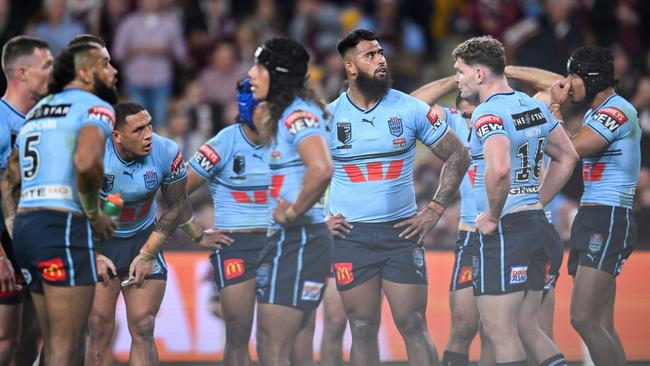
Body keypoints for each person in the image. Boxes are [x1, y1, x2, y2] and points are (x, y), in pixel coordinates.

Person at [326, 29, 470, 366]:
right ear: (350, 66)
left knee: (413, 324)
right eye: (370, 55)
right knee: (361, 327)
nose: (380, 60)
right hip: (351, 236)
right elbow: (300, 172)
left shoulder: (409, 108)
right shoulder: (328, 116)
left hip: (400, 233)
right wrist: (320, 219)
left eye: (380, 53)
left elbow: (458, 154)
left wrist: (434, 210)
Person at [452, 35, 577, 366]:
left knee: (500, 333)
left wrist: (492, 216)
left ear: (479, 74)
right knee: (527, 328)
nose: (457, 79)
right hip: (537, 225)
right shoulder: (532, 105)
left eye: (460, 71)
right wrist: (536, 199)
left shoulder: (486, 113)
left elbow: (500, 168)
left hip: (508, 232)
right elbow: (567, 156)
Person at [0, 37, 118, 365]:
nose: (113, 70)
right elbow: (86, 162)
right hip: (62, 226)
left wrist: (13, 224)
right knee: (68, 347)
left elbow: (10, 176)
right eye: (105, 64)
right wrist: (95, 216)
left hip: (27, 229)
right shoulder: (96, 106)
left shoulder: (36, 110)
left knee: (49, 342)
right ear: (84, 73)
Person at [85, 101, 205, 365]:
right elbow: (75, 209)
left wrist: (149, 253)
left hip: (142, 237)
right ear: (116, 136)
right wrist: (93, 253)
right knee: (99, 327)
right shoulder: (93, 154)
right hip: (100, 241)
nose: (148, 134)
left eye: (149, 125)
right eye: (138, 130)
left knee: (143, 325)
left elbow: (178, 205)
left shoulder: (166, 150)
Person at [548, 46, 639, 366]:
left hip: (609, 214)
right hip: (594, 214)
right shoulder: (595, 114)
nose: (569, 83)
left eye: (573, 75)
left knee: (583, 318)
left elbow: (570, 150)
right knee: (601, 323)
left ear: (591, 77)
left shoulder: (617, 110)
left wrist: (554, 109)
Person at [248, 37, 333, 366]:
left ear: (277, 72)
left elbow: (322, 167)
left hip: (299, 239)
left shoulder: (298, 114)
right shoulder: (296, 110)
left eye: (258, 66)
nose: (251, 74)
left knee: (273, 346)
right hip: (300, 241)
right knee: (294, 344)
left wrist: (295, 210)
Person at [183, 78, 267, 366]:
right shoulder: (223, 143)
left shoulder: (288, 142)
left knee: (278, 335)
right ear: (250, 109)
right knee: (238, 333)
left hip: (279, 243)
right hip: (236, 245)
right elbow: (177, 189)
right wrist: (195, 232)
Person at [410, 77, 491, 366]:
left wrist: (506, 70)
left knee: (498, 331)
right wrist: (456, 79)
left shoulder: (507, 115)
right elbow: (413, 104)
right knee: (462, 329)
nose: (472, 125)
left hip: (505, 233)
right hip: (470, 235)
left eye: (477, 116)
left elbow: (556, 87)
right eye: (467, 116)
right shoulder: (456, 122)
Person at [0, 35, 52, 366]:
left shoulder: (43, 122)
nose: (53, 72)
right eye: (46, 65)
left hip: (34, 242)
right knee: (5, 341)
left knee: (30, 341)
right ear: (21, 73)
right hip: (5, 244)